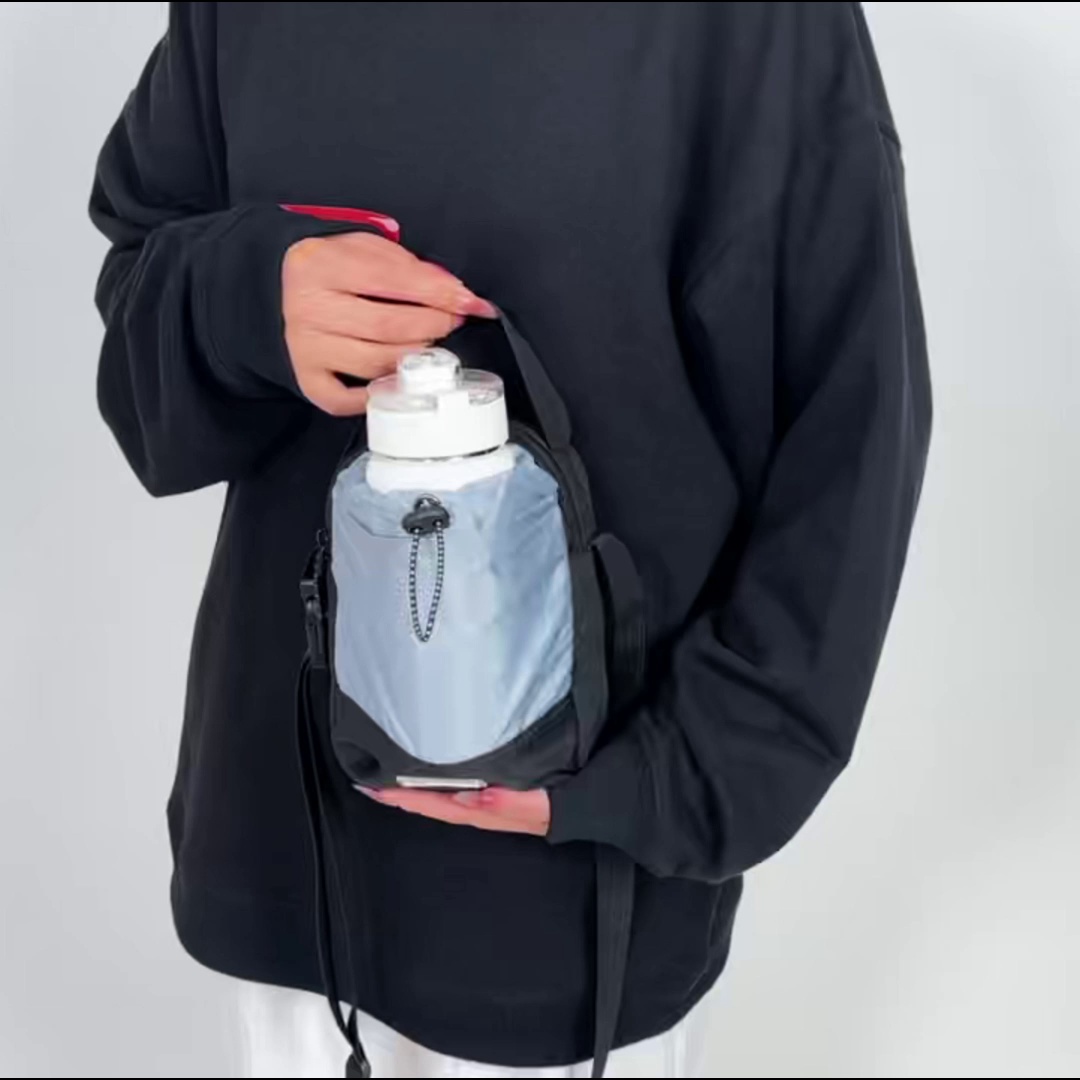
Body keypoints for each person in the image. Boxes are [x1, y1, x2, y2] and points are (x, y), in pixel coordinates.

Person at [89, 3, 931, 1077]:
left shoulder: (751, 26)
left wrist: (670, 780)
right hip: (285, 859)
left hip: (572, 887)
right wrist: (248, 298)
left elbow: (852, 430)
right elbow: (141, 296)